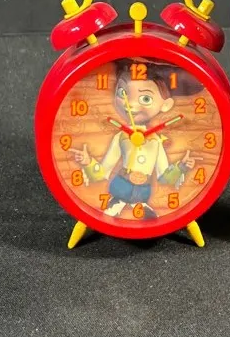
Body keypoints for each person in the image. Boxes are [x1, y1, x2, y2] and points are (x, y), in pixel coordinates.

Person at [69, 58, 204, 219]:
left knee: (148, 218)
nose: (131, 105)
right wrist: (88, 162)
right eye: (123, 93)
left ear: (166, 105)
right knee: (110, 213)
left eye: (145, 99)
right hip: (121, 186)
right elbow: (105, 169)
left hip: (143, 191)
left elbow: (163, 175)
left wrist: (181, 167)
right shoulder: (121, 137)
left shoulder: (155, 141)